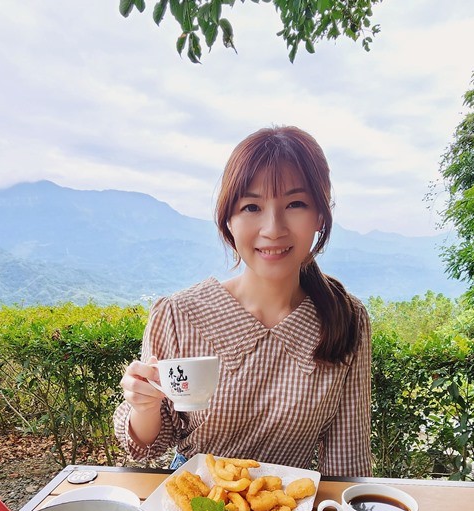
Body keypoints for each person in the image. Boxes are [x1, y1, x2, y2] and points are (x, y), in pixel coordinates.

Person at [113, 126, 372, 477]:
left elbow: (347, 459)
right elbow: (149, 446)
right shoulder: (179, 315)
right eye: (252, 206)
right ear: (228, 221)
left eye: (296, 204)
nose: (273, 228)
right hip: (195, 501)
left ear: (321, 216)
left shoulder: (346, 318)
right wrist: (143, 405)